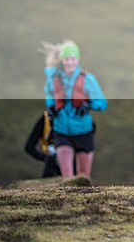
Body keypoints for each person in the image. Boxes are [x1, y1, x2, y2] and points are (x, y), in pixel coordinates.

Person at [42, 40, 107, 181]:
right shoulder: (53, 79)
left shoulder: (87, 78)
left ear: (78, 60)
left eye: (73, 59)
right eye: (67, 59)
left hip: (84, 132)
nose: (70, 62)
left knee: (83, 177)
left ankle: (84, 203)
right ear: (62, 60)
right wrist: (52, 109)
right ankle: (68, 202)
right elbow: (49, 99)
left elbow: (102, 103)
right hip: (61, 132)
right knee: (68, 177)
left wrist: (89, 105)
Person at [23, 111, 62, 178]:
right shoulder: (45, 119)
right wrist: (45, 158)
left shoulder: (74, 116)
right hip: (52, 166)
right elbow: (29, 147)